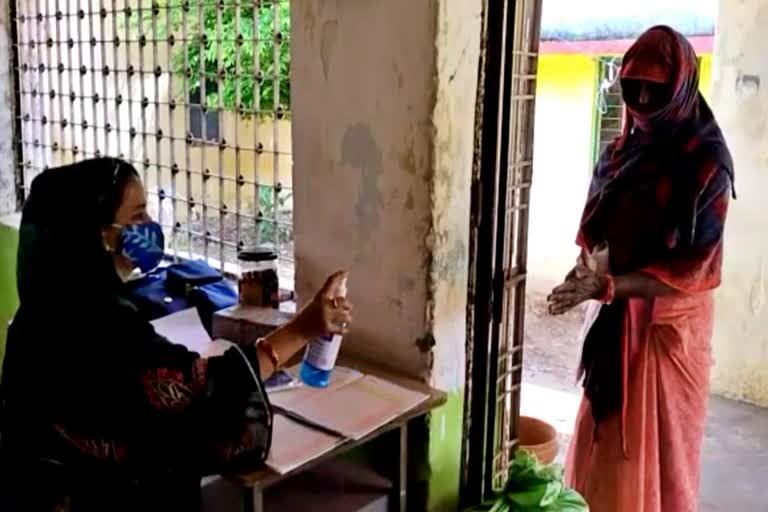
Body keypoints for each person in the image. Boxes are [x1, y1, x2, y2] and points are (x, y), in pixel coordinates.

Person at [0, 157, 353, 511]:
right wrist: (304, 328)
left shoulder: (33, 317)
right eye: (137, 217)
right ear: (96, 234)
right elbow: (205, 384)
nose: (151, 227)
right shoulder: (106, 326)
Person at [547, 26, 734, 512]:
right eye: (634, 87)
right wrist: (585, 273)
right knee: (602, 441)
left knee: (660, 460)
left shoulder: (706, 165)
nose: (645, 100)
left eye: (657, 87)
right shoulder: (620, 153)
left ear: (683, 86)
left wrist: (608, 286)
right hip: (615, 322)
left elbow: (694, 270)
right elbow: (599, 233)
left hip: (670, 335)